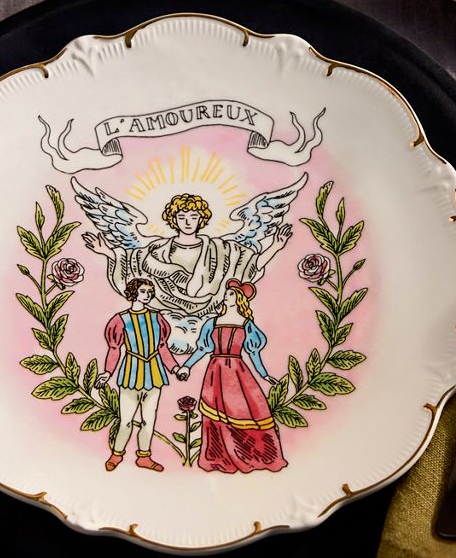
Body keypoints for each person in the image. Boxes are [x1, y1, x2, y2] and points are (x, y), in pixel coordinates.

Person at [72, 177, 302, 353]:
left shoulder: (222, 250)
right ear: (173, 220)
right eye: (182, 217)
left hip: (208, 320)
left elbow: (248, 268)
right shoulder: (155, 251)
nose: (188, 222)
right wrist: (107, 252)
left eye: (193, 217)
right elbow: (132, 269)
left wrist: (276, 246)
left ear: (202, 219)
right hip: (166, 321)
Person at [176, 279, 287, 473]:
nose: (226, 296)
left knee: (244, 411)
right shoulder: (212, 323)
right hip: (215, 371)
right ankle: (219, 456)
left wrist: (264, 375)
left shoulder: (246, 324)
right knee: (215, 413)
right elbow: (202, 349)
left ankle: (253, 454)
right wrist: (187, 366)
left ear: (239, 299)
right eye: (226, 293)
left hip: (236, 373)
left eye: (230, 294)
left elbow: (254, 353)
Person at [96, 277, 179, 472]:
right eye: (143, 291)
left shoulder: (157, 318)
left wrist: (175, 368)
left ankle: (144, 457)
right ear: (133, 293)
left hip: (154, 372)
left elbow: (162, 347)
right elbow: (114, 349)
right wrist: (107, 372)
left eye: (150, 292)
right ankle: (117, 454)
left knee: (148, 421)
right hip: (131, 373)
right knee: (126, 421)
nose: (147, 295)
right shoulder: (121, 319)